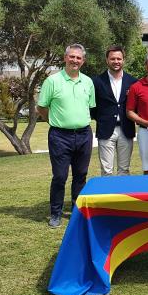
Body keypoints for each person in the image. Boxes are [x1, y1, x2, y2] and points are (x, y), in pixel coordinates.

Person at [37, 43, 95, 228]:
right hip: (60, 136)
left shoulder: (88, 82)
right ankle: (56, 213)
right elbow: (42, 107)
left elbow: (90, 107)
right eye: (72, 57)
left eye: (78, 58)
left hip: (84, 134)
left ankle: (77, 212)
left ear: (83, 61)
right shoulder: (52, 81)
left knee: (81, 175)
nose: (75, 60)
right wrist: (54, 122)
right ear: (65, 58)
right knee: (60, 176)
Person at [90, 45, 137, 176]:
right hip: (105, 130)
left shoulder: (133, 82)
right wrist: (101, 118)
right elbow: (92, 107)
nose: (116, 61)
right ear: (107, 60)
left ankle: (122, 196)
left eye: (119, 58)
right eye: (112, 59)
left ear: (123, 60)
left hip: (126, 129)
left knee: (124, 169)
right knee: (106, 170)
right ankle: (108, 196)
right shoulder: (97, 81)